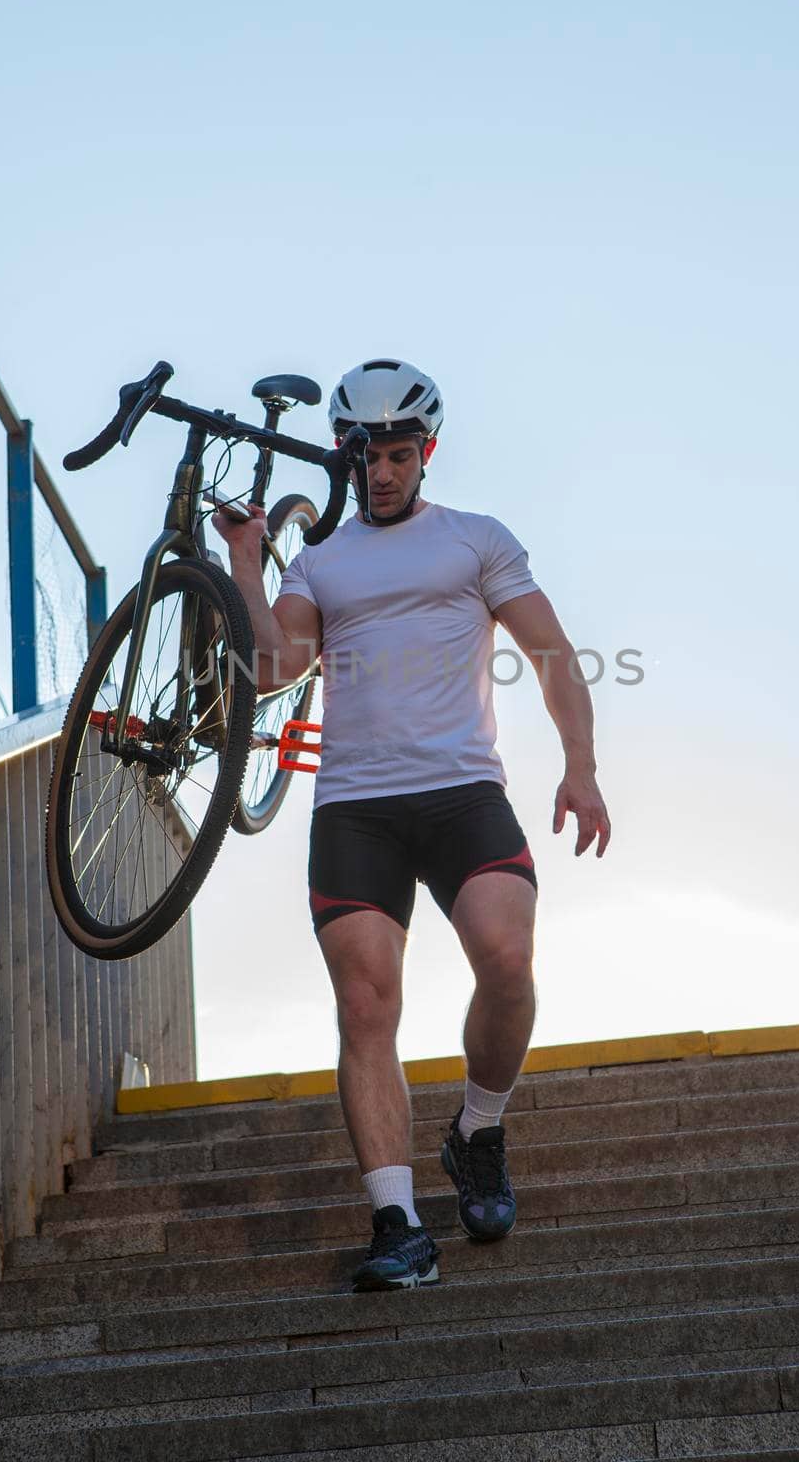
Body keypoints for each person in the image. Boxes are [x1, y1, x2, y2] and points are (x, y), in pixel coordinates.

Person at [212, 358, 610, 1291]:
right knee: (365, 1007)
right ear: (348, 460)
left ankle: (477, 1130)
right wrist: (244, 560)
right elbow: (275, 670)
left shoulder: (474, 542)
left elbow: (550, 654)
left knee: (507, 965)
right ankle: (396, 1221)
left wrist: (580, 767)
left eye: (398, 454)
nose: (382, 471)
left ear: (425, 453)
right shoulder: (320, 561)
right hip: (356, 807)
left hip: (463, 791)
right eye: (367, 457)